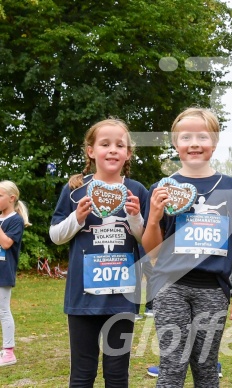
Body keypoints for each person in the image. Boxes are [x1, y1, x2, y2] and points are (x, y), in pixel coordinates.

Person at [142, 107, 232, 387]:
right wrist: (153, 218)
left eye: (202, 136)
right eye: (186, 137)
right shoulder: (163, 187)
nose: (194, 144)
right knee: (172, 368)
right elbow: (151, 250)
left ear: (214, 141)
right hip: (170, 287)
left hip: (214, 289)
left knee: (206, 369)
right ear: (175, 143)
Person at [50, 118, 148, 386]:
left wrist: (136, 217)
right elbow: (56, 236)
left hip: (123, 297)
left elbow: (148, 240)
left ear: (128, 153)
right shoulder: (73, 191)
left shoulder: (137, 190)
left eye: (120, 145)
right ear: (91, 151)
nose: (113, 149)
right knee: (82, 373)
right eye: (105, 144)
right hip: (82, 298)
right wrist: (77, 219)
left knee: (117, 373)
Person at [0, 181, 31, 367]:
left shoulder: (15, 220)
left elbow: (6, 244)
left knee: (3, 311)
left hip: (3, 272)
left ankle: (9, 352)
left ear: (11, 198)